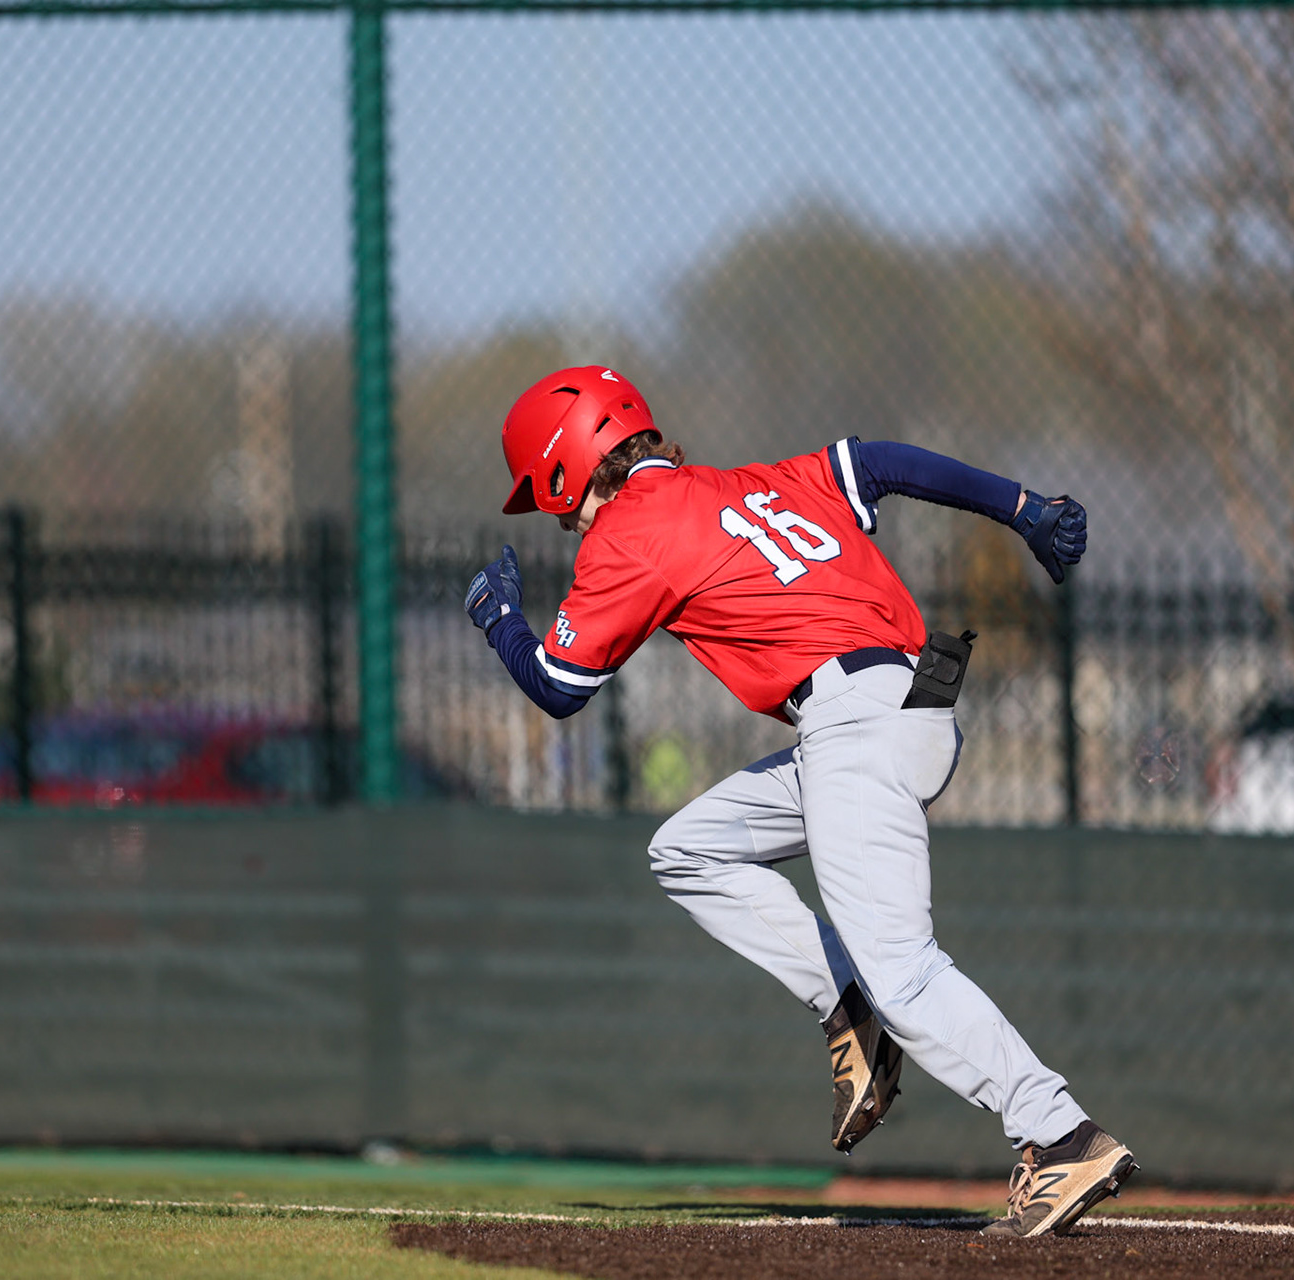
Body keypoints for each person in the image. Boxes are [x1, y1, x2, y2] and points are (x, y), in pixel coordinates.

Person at [463, 366, 1135, 1238]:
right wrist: (1023, 509)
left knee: (906, 969)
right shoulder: (750, 484)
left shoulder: (628, 531)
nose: (555, 516)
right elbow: (879, 460)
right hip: (907, 706)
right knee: (689, 850)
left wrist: (501, 620)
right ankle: (848, 1002)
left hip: (855, 729)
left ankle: (1059, 1133)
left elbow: (557, 685)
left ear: (568, 469)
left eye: (549, 495)